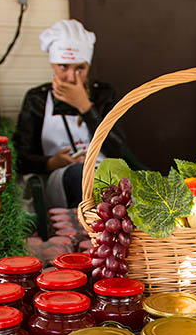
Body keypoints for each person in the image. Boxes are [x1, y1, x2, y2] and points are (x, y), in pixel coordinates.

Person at [15, 19, 129, 209]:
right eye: (63, 67)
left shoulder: (104, 94)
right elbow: (21, 158)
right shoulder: (38, 99)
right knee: (79, 174)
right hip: (63, 178)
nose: (71, 77)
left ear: (88, 66)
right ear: (53, 65)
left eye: (80, 68)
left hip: (106, 174)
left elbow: (118, 149)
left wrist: (85, 107)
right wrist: (51, 162)